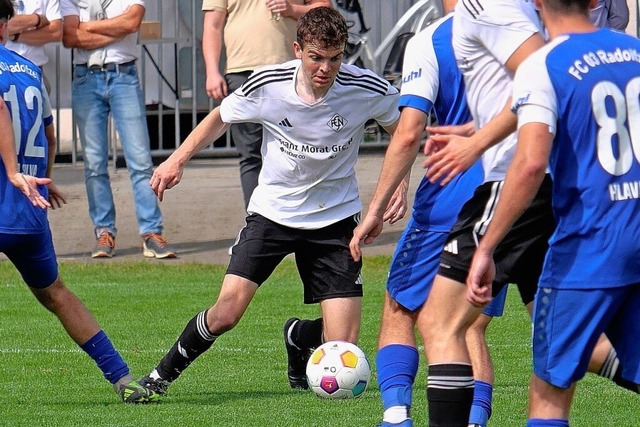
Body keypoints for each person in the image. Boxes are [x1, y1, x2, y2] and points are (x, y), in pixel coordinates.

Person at [137, 7, 401, 396]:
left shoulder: (367, 89)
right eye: (315, 57)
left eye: (334, 58)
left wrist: (400, 186)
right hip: (273, 214)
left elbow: (405, 133)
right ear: (298, 49)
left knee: (341, 346)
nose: (325, 69)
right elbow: (220, 117)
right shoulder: (268, 84)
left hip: (335, 220)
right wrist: (177, 159)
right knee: (227, 312)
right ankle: (159, 378)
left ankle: (298, 336)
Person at [467, 0, 640, 424]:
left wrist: (488, 245)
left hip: (588, 246)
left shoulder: (544, 64)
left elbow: (528, 164)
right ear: (597, 2)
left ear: (537, 2)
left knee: (550, 389)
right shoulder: (633, 51)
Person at [349, 1, 507, 425]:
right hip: (511, 199)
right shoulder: (525, 28)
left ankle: (397, 416)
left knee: (400, 308)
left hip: (450, 198)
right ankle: (475, 421)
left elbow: (408, 131)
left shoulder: (432, 39)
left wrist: (376, 208)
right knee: (470, 324)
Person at [0, 0, 157, 404]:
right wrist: (41, 178)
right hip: (29, 209)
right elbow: (50, 137)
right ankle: (122, 377)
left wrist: (14, 169)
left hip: (7, 192)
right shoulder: (30, 71)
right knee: (56, 292)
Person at [60, 0, 176, 259]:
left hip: (122, 73)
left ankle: (151, 232)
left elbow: (132, 22)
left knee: (140, 160)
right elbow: (69, 36)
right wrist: (116, 29)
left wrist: (87, 29)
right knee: (94, 162)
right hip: (87, 75)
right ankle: (104, 230)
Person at [202, 0, 331, 212]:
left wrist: (293, 9)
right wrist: (212, 71)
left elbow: (324, 8)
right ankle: (256, 222)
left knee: (299, 150)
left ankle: (301, 217)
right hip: (241, 72)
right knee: (251, 154)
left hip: (290, 70)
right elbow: (212, 25)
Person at [6, 0, 62, 91]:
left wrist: (16, 36)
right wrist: (37, 19)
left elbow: (56, 32)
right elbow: (6, 25)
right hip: (4, 71)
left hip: (35, 72)